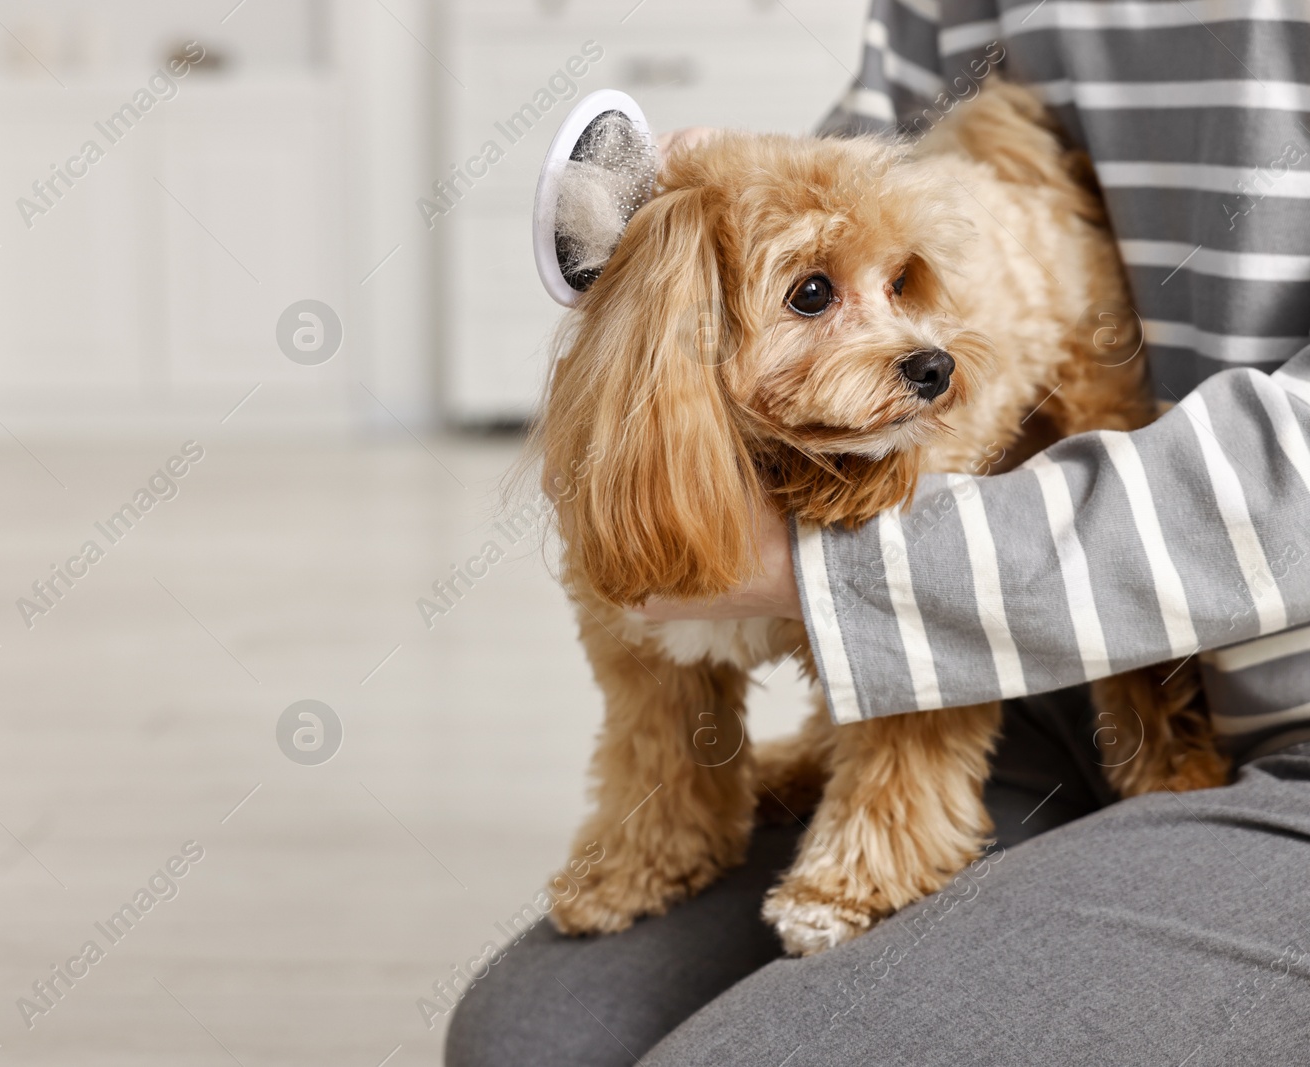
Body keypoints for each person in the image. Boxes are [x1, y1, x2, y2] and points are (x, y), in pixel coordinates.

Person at [445, 1, 1310, 1063]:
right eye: (819, 294)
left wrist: (829, 569)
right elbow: (877, 167)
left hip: (1283, 717)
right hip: (1040, 691)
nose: (912, 342)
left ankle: (945, 812)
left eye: (895, 295)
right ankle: (684, 817)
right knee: (528, 1042)